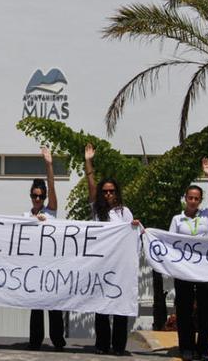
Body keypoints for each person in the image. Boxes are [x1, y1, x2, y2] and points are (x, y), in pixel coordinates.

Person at [84, 143, 139, 355]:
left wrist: (134, 226)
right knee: (102, 305)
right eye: (105, 191)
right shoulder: (97, 211)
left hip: (120, 267)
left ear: (117, 193)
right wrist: (89, 162)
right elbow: (91, 186)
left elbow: (131, 236)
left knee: (119, 305)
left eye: (111, 191)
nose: (108, 194)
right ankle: (102, 344)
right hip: (101, 264)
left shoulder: (124, 212)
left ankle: (118, 346)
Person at [171, 158, 208, 361]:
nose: (193, 201)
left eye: (196, 198)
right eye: (190, 198)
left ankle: (203, 350)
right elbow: (170, 242)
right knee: (184, 309)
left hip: (205, 270)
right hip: (185, 270)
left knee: (205, 310)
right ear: (185, 199)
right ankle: (186, 348)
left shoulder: (205, 216)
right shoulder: (177, 219)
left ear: (200, 201)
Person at [26, 147, 66, 352]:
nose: (37, 199)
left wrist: (49, 164)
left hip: (52, 265)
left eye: (40, 196)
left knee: (54, 305)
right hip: (34, 265)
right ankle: (35, 341)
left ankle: (58, 340)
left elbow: (51, 185)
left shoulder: (51, 211)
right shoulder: (26, 215)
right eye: (34, 195)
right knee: (36, 305)